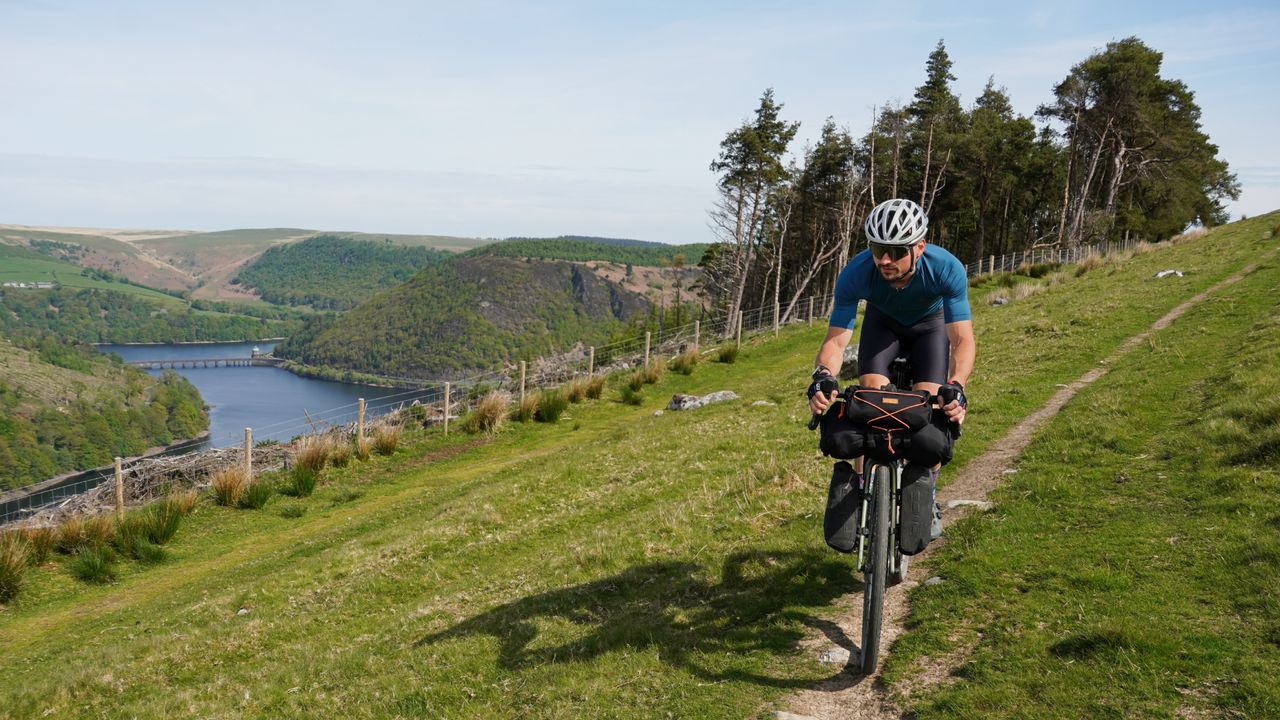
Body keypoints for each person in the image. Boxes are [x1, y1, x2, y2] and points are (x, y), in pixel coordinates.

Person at [808, 198, 975, 540]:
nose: (884, 260)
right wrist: (823, 375)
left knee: (930, 408)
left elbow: (962, 341)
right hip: (882, 325)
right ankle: (861, 486)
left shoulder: (946, 268)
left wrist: (956, 385)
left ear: (919, 247)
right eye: (877, 248)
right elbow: (837, 340)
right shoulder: (856, 272)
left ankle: (926, 494)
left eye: (896, 251)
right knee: (868, 400)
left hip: (930, 326)